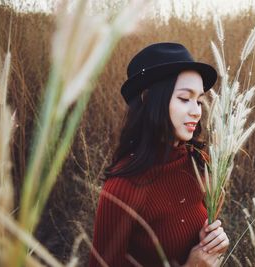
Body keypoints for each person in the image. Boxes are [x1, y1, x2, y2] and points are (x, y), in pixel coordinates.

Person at [89, 42, 229, 267]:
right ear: (148, 98)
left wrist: (212, 244)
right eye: (185, 98)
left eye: (199, 100)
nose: (196, 111)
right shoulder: (122, 190)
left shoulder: (199, 163)